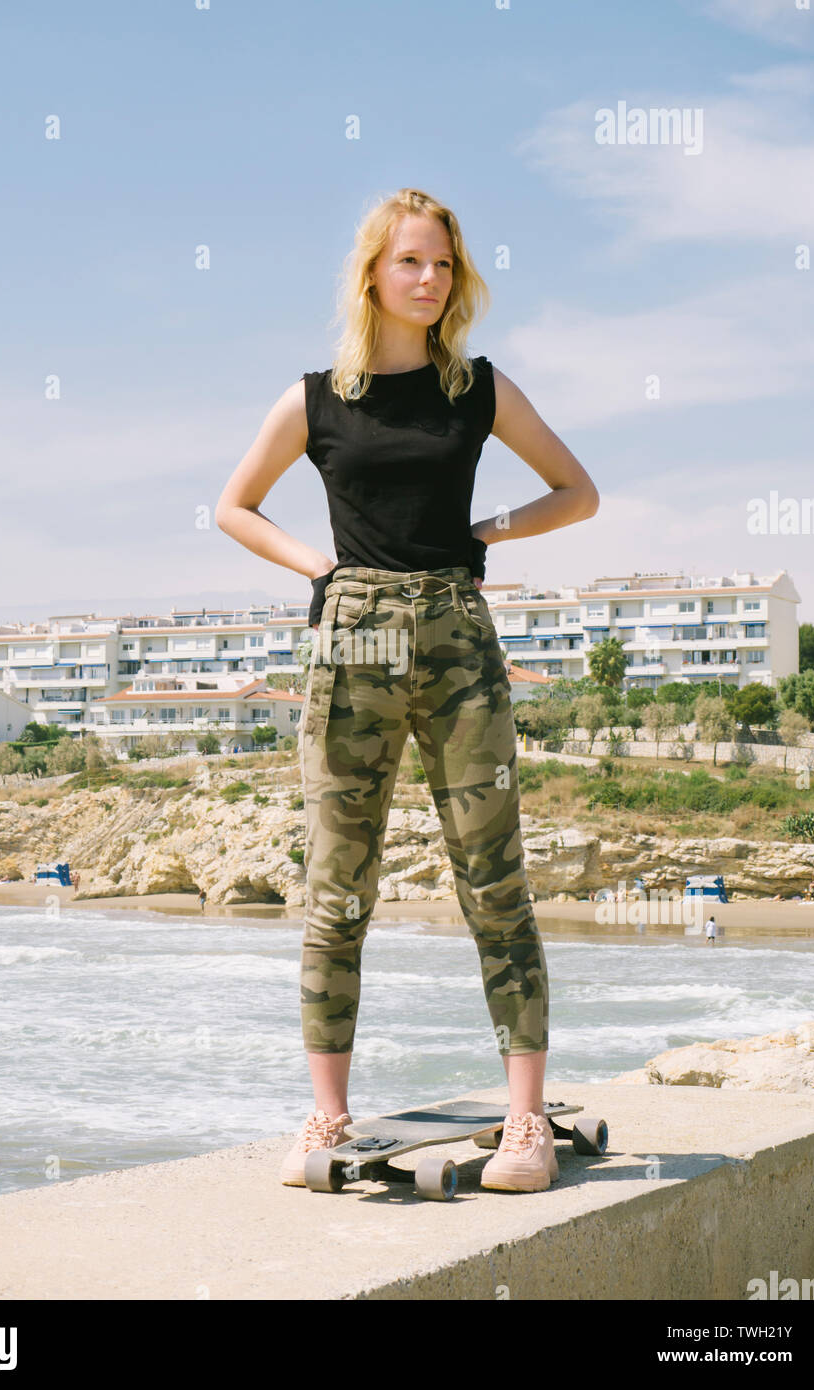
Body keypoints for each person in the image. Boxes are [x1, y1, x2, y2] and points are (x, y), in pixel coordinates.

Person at [216, 187, 599, 1195]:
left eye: (443, 265)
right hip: (350, 649)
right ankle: (327, 1117)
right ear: (373, 275)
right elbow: (233, 506)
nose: (429, 280)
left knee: (495, 883)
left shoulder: (474, 387)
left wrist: (491, 530)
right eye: (411, 263)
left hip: (458, 642)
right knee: (339, 889)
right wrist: (319, 570)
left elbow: (578, 489)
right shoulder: (314, 398)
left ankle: (526, 1127)